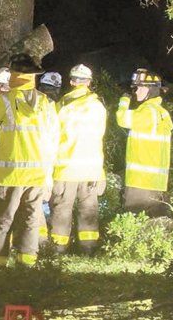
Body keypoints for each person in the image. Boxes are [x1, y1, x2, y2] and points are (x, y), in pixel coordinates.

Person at [0, 53, 59, 267]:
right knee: (30, 219)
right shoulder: (47, 104)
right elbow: (54, 141)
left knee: (2, 219)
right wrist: (48, 176)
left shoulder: (5, 101)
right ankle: (26, 261)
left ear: (14, 75)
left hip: (9, 175)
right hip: (37, 176)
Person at [49, 64, 107, 254]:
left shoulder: (62, 106)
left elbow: (52, 136)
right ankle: (88, 250)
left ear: (72, 81)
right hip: (91, 169)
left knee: (62, 211)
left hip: (66, 169)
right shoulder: (99, 107)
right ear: (89, 83)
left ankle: (57, 250)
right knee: (88, 211)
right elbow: (100, 136)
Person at [116, 68, 173, 217]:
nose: (136, 91)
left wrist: (124, 100)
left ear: (151, 90)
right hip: (157, 184)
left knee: (132, 228)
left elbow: (121, 119)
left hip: (140, 184)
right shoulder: (162, 113)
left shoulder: (147, 112)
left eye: (139, 87)